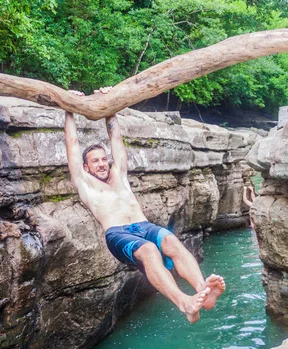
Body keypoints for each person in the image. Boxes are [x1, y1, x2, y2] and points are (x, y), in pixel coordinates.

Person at [64, 87, 225, 323]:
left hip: (143, 225)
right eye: (94, 161)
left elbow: (116, 139)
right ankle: (185, 304)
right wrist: (69, 107)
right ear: (86, 167)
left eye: (103, 159)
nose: (101, 164)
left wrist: (111, 106)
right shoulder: (84, 183)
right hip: (118, 234)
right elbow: (72, 142)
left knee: (171, 241)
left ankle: (203, 291)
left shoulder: (119, 175)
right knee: (149, 250)